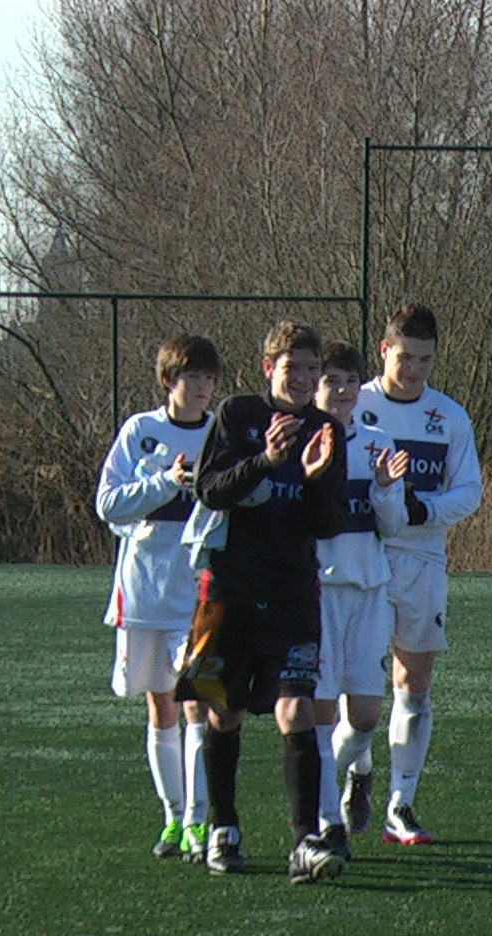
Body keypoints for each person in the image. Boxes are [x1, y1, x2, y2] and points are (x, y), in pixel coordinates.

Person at [175, 319, 348, 884]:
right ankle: (223, 827)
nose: (303, 379)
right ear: (268, 368)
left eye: (312, 369)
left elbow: (329, 523)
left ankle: (305, 841)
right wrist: (266, 462)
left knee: (297, 710)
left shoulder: (327, 429)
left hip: (293, 589)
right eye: (292, 367)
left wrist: (316, 479)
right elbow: (209, 489)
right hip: (229, 587)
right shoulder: (237, 415)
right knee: (221, 711)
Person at [352, 304, 482, 846]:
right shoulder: (355, 404)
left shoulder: (448, 416)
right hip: (363, 558)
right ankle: (358, 768)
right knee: (359, 688)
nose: (414, 370)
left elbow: (468, 492)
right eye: (405, 357)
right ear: (384, 350)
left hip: (423, 561)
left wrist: (423, 510)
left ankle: (400, 804)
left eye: (425, 360)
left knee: (414, 683)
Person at [95, 335, 220, 863]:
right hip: (145, 592)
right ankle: (172, 816)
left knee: (199, 704)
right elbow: (108, 505)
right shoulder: (139, 432)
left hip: (199, 594)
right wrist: (166, 482)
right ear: (169, 380)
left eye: (209, 378)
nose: (202, 387)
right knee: (160, 705)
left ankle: (198, 822)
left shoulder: (220, 432)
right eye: (192, 377)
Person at [309, 342, 410, 863]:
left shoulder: (377, 443)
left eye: (350, 380)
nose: (343, 390)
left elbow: (392, 526)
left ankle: (350, 774)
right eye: (332, 380)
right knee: (321, 710)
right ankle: (326, 820)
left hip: (370, 590)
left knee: (366, 716)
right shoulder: (302, 442)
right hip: (319, 591)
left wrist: (386, 490)